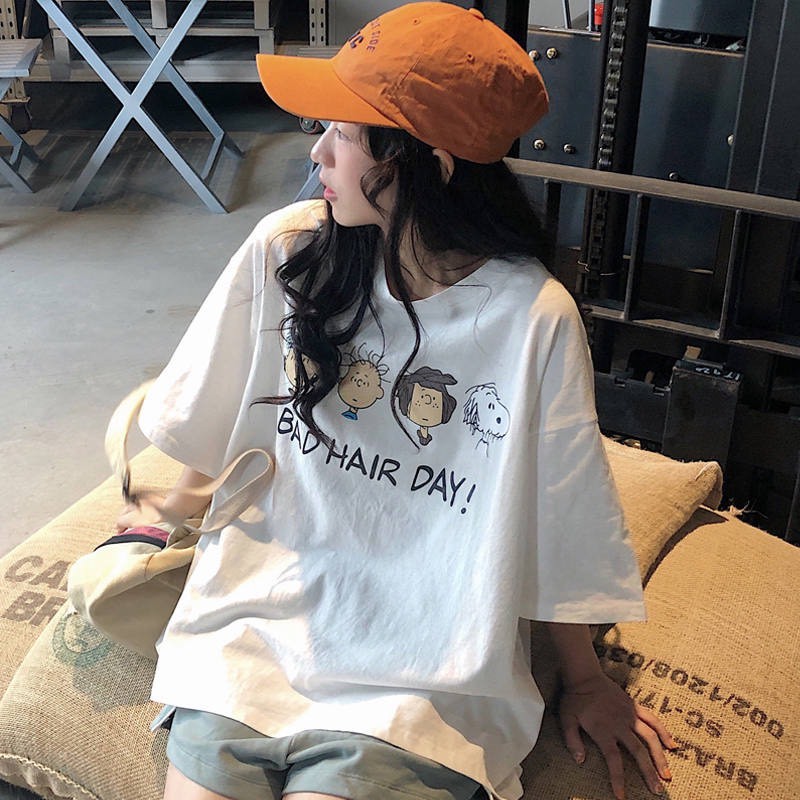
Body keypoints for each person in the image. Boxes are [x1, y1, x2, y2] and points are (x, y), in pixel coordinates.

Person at [117, 4, 676, 800]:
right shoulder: (290, 250)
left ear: (429, 164)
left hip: (423, 673)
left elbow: (559, 510)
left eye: (342, 135)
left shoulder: (530, 318)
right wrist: (153, 527)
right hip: (254, 632)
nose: (316, 153)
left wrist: (584, 679)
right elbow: (216, 421)